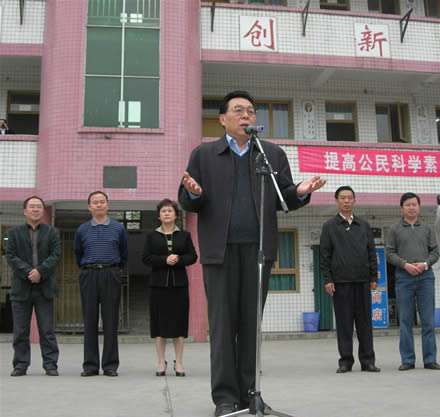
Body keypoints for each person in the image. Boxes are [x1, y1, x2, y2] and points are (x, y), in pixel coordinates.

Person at [178, 90, 326, 416]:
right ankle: (224, 399)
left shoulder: (270, 154)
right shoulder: (204, 155)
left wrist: (301, 192)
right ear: (222, 119)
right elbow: (188, 200)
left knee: (250, 327)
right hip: (219, 253)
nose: (246, 115)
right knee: (222, 327)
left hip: (260, 252)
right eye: (238, 110)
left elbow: (284, 198)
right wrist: (195, 193)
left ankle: (249, 395)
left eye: (250, 111)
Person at [319, 186, 380, 374]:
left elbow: (371, 252)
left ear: (354, 201)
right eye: (343, 198)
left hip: (362, 281)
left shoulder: (363, 225)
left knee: (365, 323)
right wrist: (328, 279)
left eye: (349, 198)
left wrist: (373, 276)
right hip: (341, 282)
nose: (346, 201)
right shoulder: (329, 226)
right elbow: (325, 255)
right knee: (344, 324)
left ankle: (368, 361)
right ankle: (345, 361)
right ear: (336, 201)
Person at [74, 191, 128, 377]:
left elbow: (124, 254)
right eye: (95, 202)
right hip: (88, 274)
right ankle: (90, 365)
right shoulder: (82, 229)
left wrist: (113, 270)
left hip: (111, 273)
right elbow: (78, 253)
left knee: (111, 320)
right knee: (89, 321)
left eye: (102, 202)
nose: (99, 205)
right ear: (89, 207)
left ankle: (110, 365)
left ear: (107, 205)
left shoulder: (118, 228)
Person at [5, 196, 61, 376]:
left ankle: (50, 364)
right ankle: (20, 365)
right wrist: (30, 272)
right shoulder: (13, 233)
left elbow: (55, 255)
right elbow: (11, 256)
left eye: (39, 206)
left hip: (45, 287)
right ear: (25, 211)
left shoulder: (52, 232)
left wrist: (40, 272)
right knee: (20, 331)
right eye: (32, 206)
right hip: (21, 287)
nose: (36, 209)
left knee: (47, 330)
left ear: (43, 210)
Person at [142, 199, 197, 377]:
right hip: (158, 286)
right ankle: (161, 362)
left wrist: (178, 259)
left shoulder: (185, 236)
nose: (167, 213)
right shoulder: (151, 236)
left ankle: (178, 362)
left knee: (179, 325)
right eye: (164, 211)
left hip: (179, 286)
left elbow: (193, 256)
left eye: (170, 211)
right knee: (159, 326)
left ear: (176, 215)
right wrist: (164, 260)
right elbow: (146, 258)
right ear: (159, 216)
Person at [386, 192, 439, 371]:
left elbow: (435, 251)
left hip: (425, 277)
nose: (411, 208)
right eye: (407, 205)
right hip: (404, 278)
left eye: (414, 204)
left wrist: (425, 264)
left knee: (428, 320)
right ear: (402, 208)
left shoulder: (428, 228)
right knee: (405, 320)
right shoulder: (394, 229)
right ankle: (408, 360)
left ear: (419, 207)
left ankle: (430, 359)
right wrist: (405, 265)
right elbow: (389, 253)